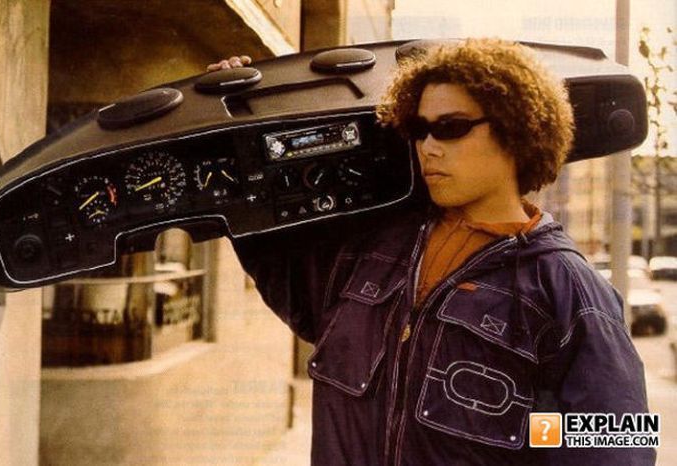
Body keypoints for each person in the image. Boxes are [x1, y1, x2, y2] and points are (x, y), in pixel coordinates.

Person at [221, 38, 655, 465]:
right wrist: (229, 120)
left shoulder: (569, 291)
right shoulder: (375, 249)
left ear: (516, 130)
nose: (428, 147)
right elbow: (297, 295)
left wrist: (529, 434)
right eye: (419, 129)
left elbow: (617, 438)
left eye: (451, 128)